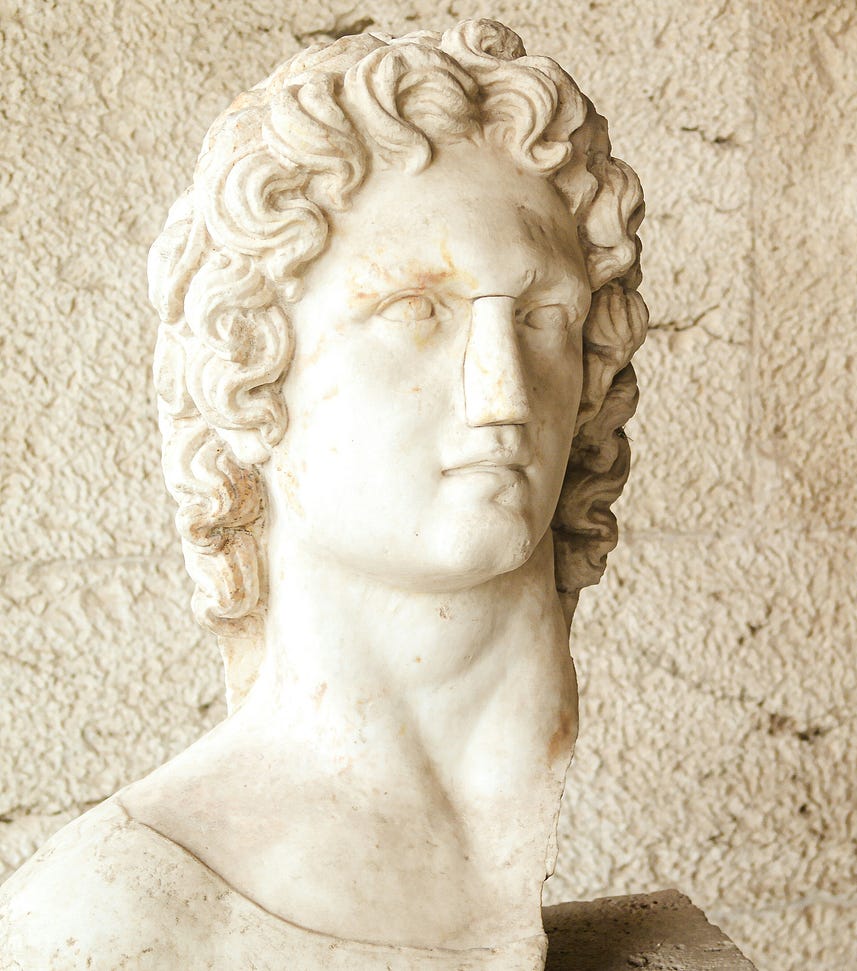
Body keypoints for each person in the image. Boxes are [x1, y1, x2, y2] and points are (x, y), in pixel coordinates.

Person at [0, 19, 646, 970]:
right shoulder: (112, 926)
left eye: (545, 316)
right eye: (416, 311)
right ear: (255, 373)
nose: (501, 393)